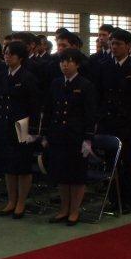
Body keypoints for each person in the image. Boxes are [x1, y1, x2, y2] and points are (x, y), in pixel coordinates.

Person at [42, 49, 97, 225]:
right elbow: (49, 110)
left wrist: (88, 138)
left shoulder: (85, 85)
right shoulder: (56, 83)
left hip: (76, 136)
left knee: (76, 175)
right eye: (62, 62)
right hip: (58, 134)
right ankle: (64, 209)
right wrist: (45, 134)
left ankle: (74, 210)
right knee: (61, 174)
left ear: (77, 64)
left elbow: (90, 114)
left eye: (69, 62)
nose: (65, 65)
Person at [96, 28, 131, 212]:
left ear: (128, 46)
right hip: (109, 120)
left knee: (128, 162)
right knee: (111, 161)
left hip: (128, 122)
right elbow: (99, 95)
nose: (114, 47)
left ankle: (128, 199)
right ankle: (114, 198)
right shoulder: (104, 66)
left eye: (118, 44)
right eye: (112, 43)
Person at [0, 41, 40, 218]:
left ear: (20, 57)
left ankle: (21, 202)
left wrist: (32, 131)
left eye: (11, 54)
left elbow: (34, 106)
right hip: (4, 126)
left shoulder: (28, 77)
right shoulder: (2, 76)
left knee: (22, 167)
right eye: (5, 53)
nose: (7, 56)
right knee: (8, 166)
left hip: (21, 128)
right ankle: (11, 201)